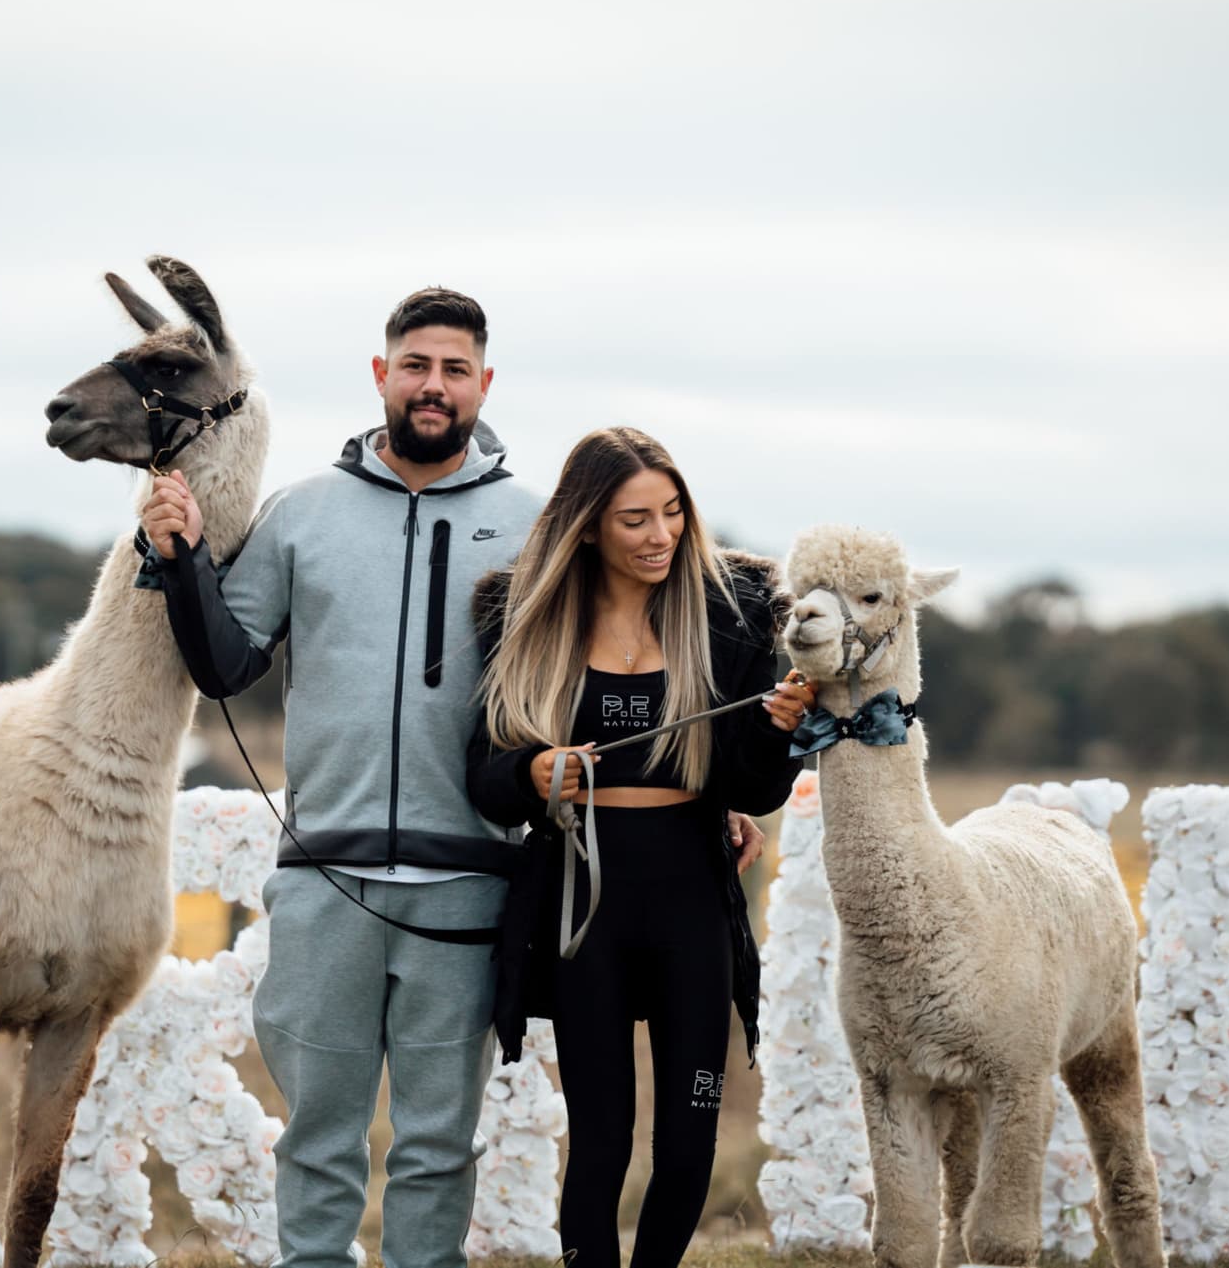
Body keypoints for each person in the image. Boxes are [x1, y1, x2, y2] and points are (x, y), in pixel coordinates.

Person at [138, 292, 768, 1267]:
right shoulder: (299, 513)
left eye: (456, 368)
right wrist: (180, 563)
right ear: (383, 374)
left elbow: (650, 624)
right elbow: (226, 667)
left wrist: (708, 801)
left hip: (471, 881)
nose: (435, 385)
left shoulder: (537, 526)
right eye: (417, 364)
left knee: (437, 1148)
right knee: (318, 1141)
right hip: (323, 881)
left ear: (483, 385)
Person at [465, 426, 814, 1268]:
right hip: (585, 906)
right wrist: (534, 770)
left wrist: (774, 735)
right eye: (634, 519)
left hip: (691, 894)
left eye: (672, 512)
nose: (660, 535)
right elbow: (482, 772)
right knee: (601, 1138)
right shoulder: (523, 618)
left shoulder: (727, 616)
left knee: (691, 1135)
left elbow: (756, 789)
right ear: (587, 526)